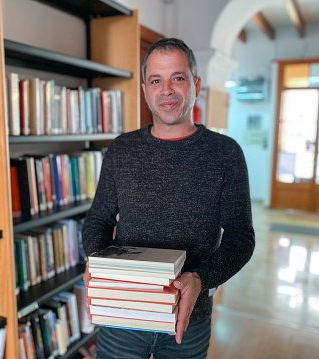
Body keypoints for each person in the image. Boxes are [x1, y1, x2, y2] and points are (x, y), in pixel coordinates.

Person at [82, 37, 255, 359]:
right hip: (123, 311)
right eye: (156, 80)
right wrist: (97, 261)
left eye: (178, 78)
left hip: (189, 316)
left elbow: (241, 238)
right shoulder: (122, 149)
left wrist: (201, 279)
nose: (167, 91)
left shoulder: (225, 153)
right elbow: (98, 219)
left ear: (196, 84)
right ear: (145, 89)